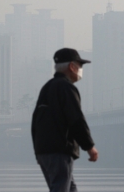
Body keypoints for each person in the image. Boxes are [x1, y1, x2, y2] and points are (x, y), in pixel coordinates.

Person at [31, 48, 98, 192]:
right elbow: (76, 119)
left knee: (70, 188)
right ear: (72, 67)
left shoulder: (47, 87)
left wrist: (38, 151)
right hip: (59, 150)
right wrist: (89, 146)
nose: (81, 69)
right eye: (80, 66)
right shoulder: (66, 88)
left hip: (44, 151)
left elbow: (36, 121)